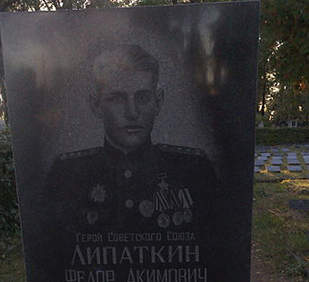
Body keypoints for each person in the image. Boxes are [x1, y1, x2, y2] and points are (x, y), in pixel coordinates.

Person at [49, 44, 216, 231]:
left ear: (158, 101)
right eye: (117, 99)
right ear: (96, 105)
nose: (132, 112)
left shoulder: (194, 170)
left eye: (142, 97)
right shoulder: (66, 174)